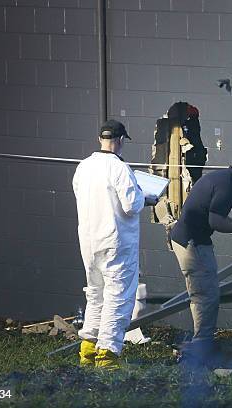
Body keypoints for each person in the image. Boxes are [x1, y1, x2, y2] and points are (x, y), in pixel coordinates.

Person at [169, 155, 232, 358]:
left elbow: (213, 215)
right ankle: (202, 345)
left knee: (203, 292)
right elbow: (215, 220)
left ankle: (202, 341)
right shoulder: (227, 186)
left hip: (189, 238)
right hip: (192, 242)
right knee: (206, 294)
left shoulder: (222, 178)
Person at [73, 119, 147, 369]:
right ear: (121, 140)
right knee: (118, 296)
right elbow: (132, 205)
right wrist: (142, 194)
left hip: (89, 242)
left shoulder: (83, 167)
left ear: (99, 139)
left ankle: (88, 349)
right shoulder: (119, 168)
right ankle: (108, 355)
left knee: (95, 295)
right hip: (116, 243)